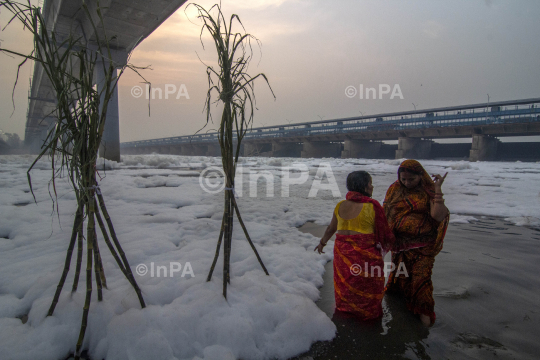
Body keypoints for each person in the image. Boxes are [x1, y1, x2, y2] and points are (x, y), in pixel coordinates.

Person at [315, 171, 395, 320]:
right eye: (370, 183)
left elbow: (331, 229)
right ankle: (367, 314)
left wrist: (322, 243)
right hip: (365, 256)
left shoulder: (340, 205)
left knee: (346, 283)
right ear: (364, 186)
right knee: (367, 285)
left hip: (342, 255)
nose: (372, 186)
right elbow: (384, 232)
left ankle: (346, 309)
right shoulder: (373, 206)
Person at [383, 159, 450, 326]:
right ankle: (401, 317)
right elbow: (386, 213)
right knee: (401, 280)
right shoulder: (394, 189)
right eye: (403, 179)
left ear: (421, 175)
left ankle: (425, 323)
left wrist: (438, 189)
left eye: (411, 179)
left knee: (421, 283)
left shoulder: (428, 192)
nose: (406, 183)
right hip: (399, 247)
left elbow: (438, 216)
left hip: (423, 248)